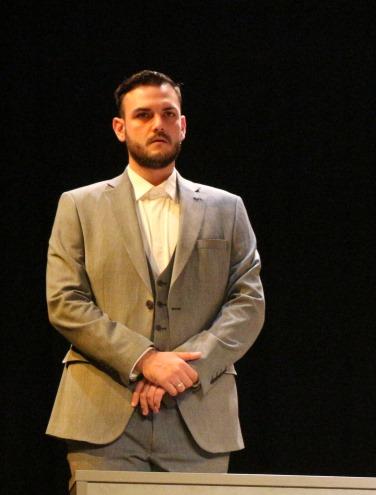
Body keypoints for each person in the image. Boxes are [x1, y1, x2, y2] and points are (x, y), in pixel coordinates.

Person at [45, 70, 265, 473]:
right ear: (120, 128)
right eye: (143, 115)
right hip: (103, 414)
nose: (157, 124)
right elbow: (65, 301)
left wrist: (184, 369)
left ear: (183, 125)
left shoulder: (227, 208)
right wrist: (145, 359)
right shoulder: (79, 205)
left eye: (168, 114)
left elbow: (248, 302)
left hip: (199, 415)